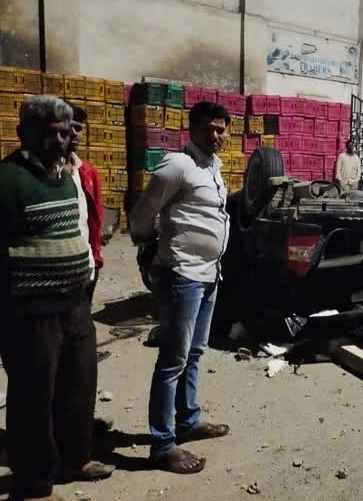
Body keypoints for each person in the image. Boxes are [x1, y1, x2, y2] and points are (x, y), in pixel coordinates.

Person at [0, 95, 114, 501]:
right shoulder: (8, 181)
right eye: (49, 133)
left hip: (75, 303)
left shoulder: (65, 176)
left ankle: (75, 458)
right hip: (30, 313)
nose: (60, 141)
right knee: (33, 397)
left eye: (65, 133)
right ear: (23, 134)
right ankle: (33, 485)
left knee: (79, 385)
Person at [130, 101, 232, 475]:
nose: (216, 136)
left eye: (221, 130)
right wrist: (146, 245)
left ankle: (187, 421)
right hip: (182, 276)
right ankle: (162, 443)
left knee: (195, 352)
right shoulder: (178, 165)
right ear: (192, 129)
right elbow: (143, 211)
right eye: (209, 129)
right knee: (172, 359)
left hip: (209, 274)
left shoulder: (212, 168)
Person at [63, 103, 104, 305]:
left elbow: (95, 218)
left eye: (78, 128)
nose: (73, 133)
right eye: (68, 127)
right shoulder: (43, 172)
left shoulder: (87, 171)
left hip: (87, 263)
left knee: (81, 324)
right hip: (57, 270)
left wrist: (96, 258)